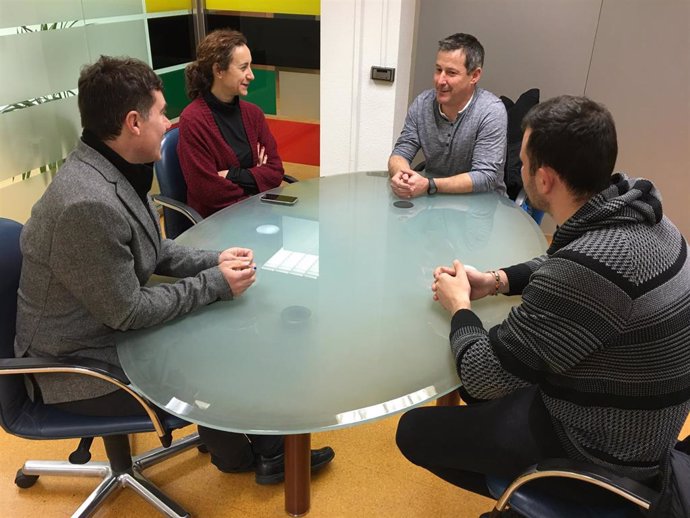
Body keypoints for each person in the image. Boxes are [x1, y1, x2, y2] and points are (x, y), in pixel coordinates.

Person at [14, 55, 333, 485]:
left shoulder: (116, 167)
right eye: (162, 113)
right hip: (78, 366)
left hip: (103, 328)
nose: (170, 123)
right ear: (133, 122)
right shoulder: (85, 204)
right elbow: (127, 312)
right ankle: (246, 454)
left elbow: (154, 249)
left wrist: (213, 260)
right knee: (213, 349)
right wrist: (213, 284)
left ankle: (258, 446)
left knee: (221, 325)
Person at [396, 96, 690, 513]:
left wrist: (460, 305)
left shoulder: (582, 273)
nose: (518, 170)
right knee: (483, 384)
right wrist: (497, 280)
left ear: (546, 179)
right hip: (645, 424)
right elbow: (565, 261)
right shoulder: (642, 215)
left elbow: (483, 376)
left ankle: (539, 489)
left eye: (522, 162)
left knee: (415, 430)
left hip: (602, 450)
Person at [178, 29, 284, 218]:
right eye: (243, 68)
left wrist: (231, 176)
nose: (251, 75)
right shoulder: (192, 120)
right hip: (217, 223)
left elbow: (275, 172)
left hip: (257, 215)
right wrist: (256, 179)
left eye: (250, 67)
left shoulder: (254, 114)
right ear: (218, 70)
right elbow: (208, 191)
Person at [388, 33, 507, 199]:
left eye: (451, 73)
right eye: (438, 70)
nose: (440, 80)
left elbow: (485, 177)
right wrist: (402, 176)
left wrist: (429, 184)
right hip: (433, 199)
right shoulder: (422, 103)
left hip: (482, 207)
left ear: (474, 76)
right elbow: (401, 151)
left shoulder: (490, 111)